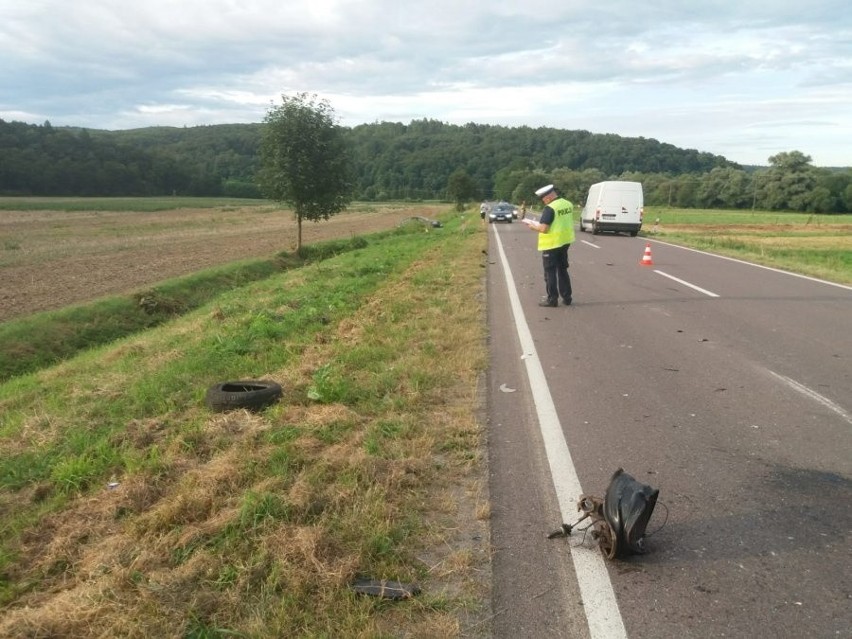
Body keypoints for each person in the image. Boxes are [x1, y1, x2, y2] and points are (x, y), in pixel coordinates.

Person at [524, 184, 575, 307]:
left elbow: (544, 229)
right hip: (564, 242)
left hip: (551, 244)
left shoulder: (550, 208)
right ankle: (567, 297)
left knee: (550, 272)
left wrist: (532, 226)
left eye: (544, 198)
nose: (543, 200)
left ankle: (552, 299)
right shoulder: (568, 204)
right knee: (562, 269)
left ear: (550, 195)